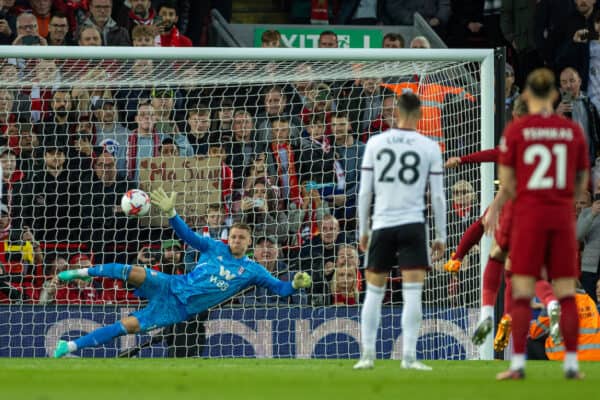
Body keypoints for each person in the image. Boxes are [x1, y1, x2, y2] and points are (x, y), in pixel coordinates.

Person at [52, 188, 312, 358]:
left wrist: (296, 284)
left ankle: (70, 346)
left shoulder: (253, 270)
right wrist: (171, 213)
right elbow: (186, 235)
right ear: (228, 237)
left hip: (176, 310)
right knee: (130, 270)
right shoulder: (213, 246)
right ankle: (81, 272)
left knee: (125, 327)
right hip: (171, 284)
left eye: (241, 238)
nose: (236, 241)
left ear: (249, 242)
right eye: (233, 236)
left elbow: (281, 289)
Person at [485, 68, 590, 380]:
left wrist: (500, 206)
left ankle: (517, 365)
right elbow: (581, 180)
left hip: (530, 217)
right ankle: (571, 363)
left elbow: (508, 181)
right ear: (555, 96)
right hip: (560, 218)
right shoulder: (572, 132)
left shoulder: (517, 132)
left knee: (520, 289)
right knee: (566, 292)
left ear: (527, 95)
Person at [353, 92, 447, 370]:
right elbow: (438, 196)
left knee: (373, 291)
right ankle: (408, 357)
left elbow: (364, 192)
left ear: (395, 111)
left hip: (382, 224)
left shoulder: (375, 142)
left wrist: (363, 229)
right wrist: (441, 235)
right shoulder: (430, 146)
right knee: (413, 293)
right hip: (413, 226)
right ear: (419, 114)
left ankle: (367, 355)